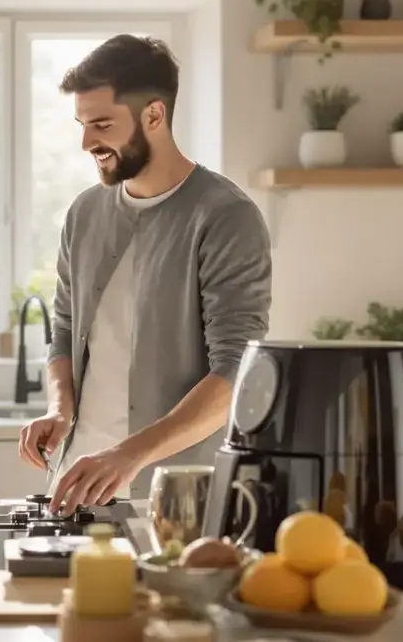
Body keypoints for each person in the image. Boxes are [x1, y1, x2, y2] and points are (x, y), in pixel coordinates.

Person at [16, 34, 271, 515]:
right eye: (82, 125)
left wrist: (128, 455)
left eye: (102, 125)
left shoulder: (225, 216)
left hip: (179, 496)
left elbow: (236, 371)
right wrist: (59, 409)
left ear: (154, 116)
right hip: (78, 488)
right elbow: (65, 331)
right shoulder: (85, 212)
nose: (87, 142)